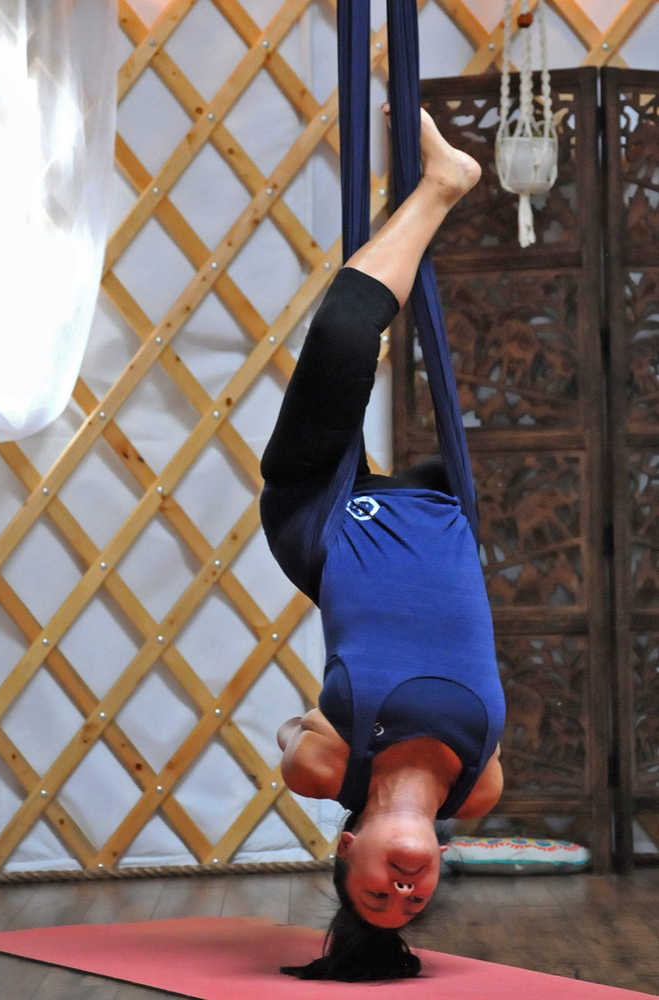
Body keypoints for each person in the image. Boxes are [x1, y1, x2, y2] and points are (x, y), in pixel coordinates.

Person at [260, 104, 506, 982]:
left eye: (374, 897)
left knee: (339, 341)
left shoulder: (325, 769)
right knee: (501, 396)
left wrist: (314, 724)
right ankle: (430, 203)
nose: (402, 891)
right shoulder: (480, 788)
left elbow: (297, 731)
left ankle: (443, 183)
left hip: (324, 522)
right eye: (412, 905)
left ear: (348, 847)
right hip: (440, 515)